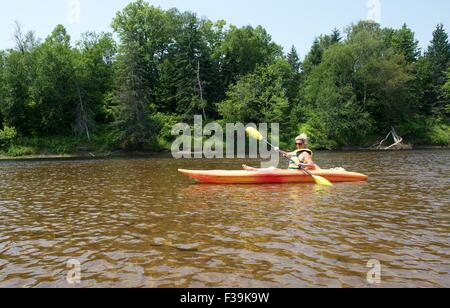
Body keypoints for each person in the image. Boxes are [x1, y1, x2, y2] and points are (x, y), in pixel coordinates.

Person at [243, 134, 320, 171]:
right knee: (272, 168)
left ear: (303, 144)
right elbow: (286, 154)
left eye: (299, 144)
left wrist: (301, 164)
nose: (297, 145)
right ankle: (254, 169)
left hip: (298, 173)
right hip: (290, 172)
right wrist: (278, 150)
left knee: (273, 168)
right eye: (296, 144)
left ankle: (253, 169)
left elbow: (311, 165)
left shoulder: (305, 153)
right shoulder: (295, 152)